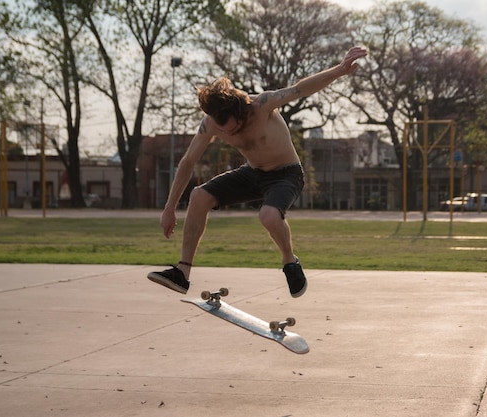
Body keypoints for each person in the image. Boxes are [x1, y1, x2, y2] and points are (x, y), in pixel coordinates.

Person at [148, 46, 367, 297]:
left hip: (286, 173)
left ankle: (290, 262)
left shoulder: (261, 104)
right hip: (252, 173)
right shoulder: (210, 124)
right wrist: (169, 209)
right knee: (198, 196)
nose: (229, 135)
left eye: (234, 128)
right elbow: (187, 163)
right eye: (225, 132)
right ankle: (182, 273)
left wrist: (339, 70)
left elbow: (300, 88)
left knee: (269, 216)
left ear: (240, 110)